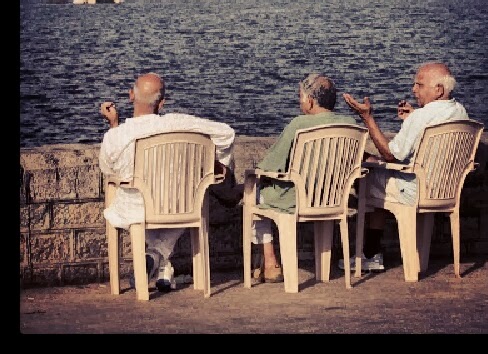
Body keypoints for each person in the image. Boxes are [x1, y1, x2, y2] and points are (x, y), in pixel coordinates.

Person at [99, 72, 237, 292]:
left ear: (131, 95)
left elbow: (108, 169)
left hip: (139, 207)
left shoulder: (117, 135)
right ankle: (162, 264)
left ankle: (154, 256)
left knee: (127, 195)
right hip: (179, 205)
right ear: (161, 103)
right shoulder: (178, 123)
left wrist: (114, 125)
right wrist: (213, 162)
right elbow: (226, 134)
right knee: (192, 194)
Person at [340, 61, 469, 272]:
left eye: (419, 85)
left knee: (368, 176)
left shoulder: (421, 117)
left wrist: (367, 118)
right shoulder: (460, 112)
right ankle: (378, 254)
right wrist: (413, 118)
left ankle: (370, 254)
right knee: (377, 169)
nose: (413, 89)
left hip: (414, 190)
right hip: (446, 190)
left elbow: (391, 154)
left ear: (439, 90)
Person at [252, 73, 358, 282]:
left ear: (309, 100)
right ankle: (321, 269)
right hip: (332, 198)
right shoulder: (349, 123)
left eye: (300, 96)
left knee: (253, 193)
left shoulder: (298, 124)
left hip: (296, 199)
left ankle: (270, 262)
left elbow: (269, 166)